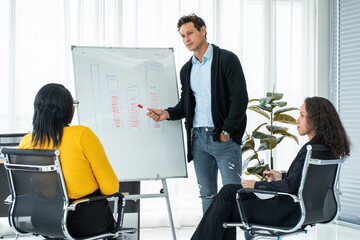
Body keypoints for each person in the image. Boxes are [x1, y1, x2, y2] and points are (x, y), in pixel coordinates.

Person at [190, 96, 351, 240]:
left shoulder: (310, 150)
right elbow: (304, 180)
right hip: (305, 210)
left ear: (317, 120)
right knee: (229, 191)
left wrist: (256, 185)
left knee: (226, 207)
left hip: (285, 212)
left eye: (302, 115)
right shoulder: (326, 148)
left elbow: (291, 187)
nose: (297, 120)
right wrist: (281, 176)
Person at [147, 13, 248, 213]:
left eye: (190, 33)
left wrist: (227, 131)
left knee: (235, 195)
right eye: (183, 36)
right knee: (207, 196)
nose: (186, 39)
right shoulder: (187, 70)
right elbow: (186, 104)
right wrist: (167, 113)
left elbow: (239, 98)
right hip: (198, 140)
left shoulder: (227, 60)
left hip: (223, 138)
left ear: (203, 30)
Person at [19, 83, 119, 238]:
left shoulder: (27, 141)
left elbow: (28, 185)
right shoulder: (82, 135)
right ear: (66, 109)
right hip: (84, 221)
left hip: (44, 219)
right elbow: (110, 187)